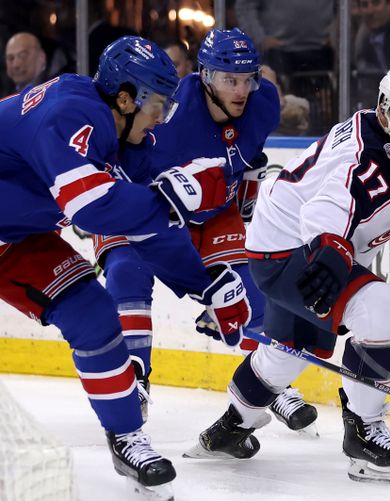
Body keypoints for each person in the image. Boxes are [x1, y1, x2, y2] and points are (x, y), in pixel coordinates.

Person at [189, 59, 390, 485]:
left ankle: (230, 427)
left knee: (291, 348)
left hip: (304, 243)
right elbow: (329, 203)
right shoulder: (365, 152)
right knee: (382, 306)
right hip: (291, 247)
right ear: (386, 107)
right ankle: (365, 436)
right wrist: (330, 247)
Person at [0, 36, 252, 501]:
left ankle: (126, 437)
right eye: (157, 104)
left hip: (15, 236)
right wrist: (169, 197)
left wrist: (205, 284)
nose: (161, 117)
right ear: (125, 97)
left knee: (94, 314)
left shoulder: (120, 134)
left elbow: (145, 224)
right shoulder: (72, 113)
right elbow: (92, 208)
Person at [92, 29, 317, 437]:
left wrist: (248, 184)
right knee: (128, 272)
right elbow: (120, 163)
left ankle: (268, 382)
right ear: (205, 76)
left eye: (248, 78)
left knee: (252, 293)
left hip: (213, 212)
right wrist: (199, 285)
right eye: (230, 79)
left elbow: (250, 155)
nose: (242, 89)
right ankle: (133, 381)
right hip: (144, 207)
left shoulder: (264, 102)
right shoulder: (167, 113)